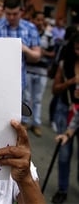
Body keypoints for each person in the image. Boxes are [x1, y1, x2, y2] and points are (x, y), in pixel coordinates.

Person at [0, 0, 41, 99]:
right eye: (8, 14)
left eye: (15, 14)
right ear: (4, 11)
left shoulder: (30, 28)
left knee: (17, 114)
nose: (11, 17)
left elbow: (37, 56)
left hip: (18, 85)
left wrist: (25, 49)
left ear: (21, 11)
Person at [50, 32, 79, 204]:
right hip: (66, 108)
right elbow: (55, 90)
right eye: (76, 49)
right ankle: (62, 189)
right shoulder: (65, 64)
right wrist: (71, 82)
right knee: (64, 153)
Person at [23, 11, 55, 137]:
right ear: (33, 20)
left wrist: (43, 53)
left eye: (42, 20)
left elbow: (53, 54)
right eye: (37, 19)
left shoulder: (49, 36)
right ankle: (25, 121)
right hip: (29, 69)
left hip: (42, 72)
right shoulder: (29, 34)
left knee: (37, 99)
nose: (40, 22)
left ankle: (36, 123)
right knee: (26, 97)